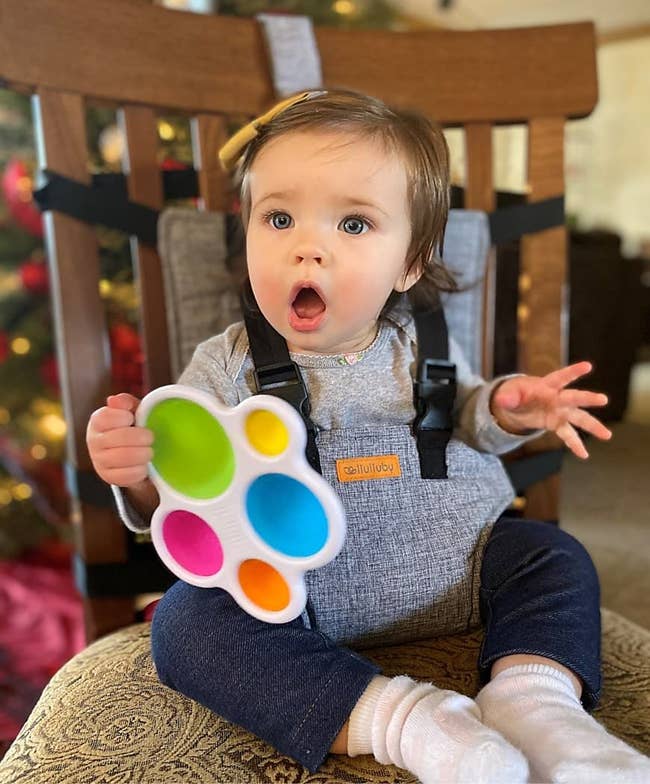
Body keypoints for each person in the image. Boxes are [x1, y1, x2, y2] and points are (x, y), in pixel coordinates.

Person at [86, 90, 649, 783]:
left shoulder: (424, 342)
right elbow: (186, 496)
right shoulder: (228, 364)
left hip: (458, 565)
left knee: (552, 556)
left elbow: (465, 415)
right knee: (184, 625)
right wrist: (137, 471)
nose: (308, 248)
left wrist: (507, 407)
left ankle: (535, 701)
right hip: (295, 598)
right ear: (249, 231)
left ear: (410, 262)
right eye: (281, 217)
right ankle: (401, 719)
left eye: (353, 224)